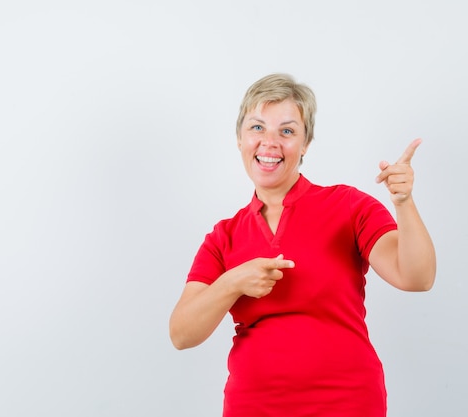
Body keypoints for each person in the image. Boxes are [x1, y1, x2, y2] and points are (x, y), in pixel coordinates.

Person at [169, 73, 436, 417]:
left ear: (305, 143)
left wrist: (404, 202)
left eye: (287, 131)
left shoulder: (349, 207)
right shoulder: (224, 237)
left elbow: (416, 277)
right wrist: (232, 282)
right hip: (253, 406)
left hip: (347, 402)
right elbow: (181, 334)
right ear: (239, 138)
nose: (270, 142)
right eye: (257, 127)